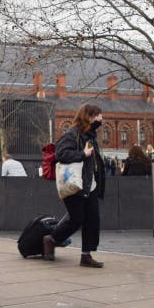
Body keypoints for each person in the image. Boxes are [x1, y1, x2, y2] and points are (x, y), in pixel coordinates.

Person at [43, 103, 106, 268]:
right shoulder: (72, 134)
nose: (101, 119)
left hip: (89, 185)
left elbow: (93, 160)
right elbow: (61, 154)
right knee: (77, 219)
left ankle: (86, 255)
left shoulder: (90, 136)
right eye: (98, 115)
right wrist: (82, 154)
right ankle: (52, 239)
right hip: (74, 184)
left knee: (92, 220)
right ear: (89, 117)